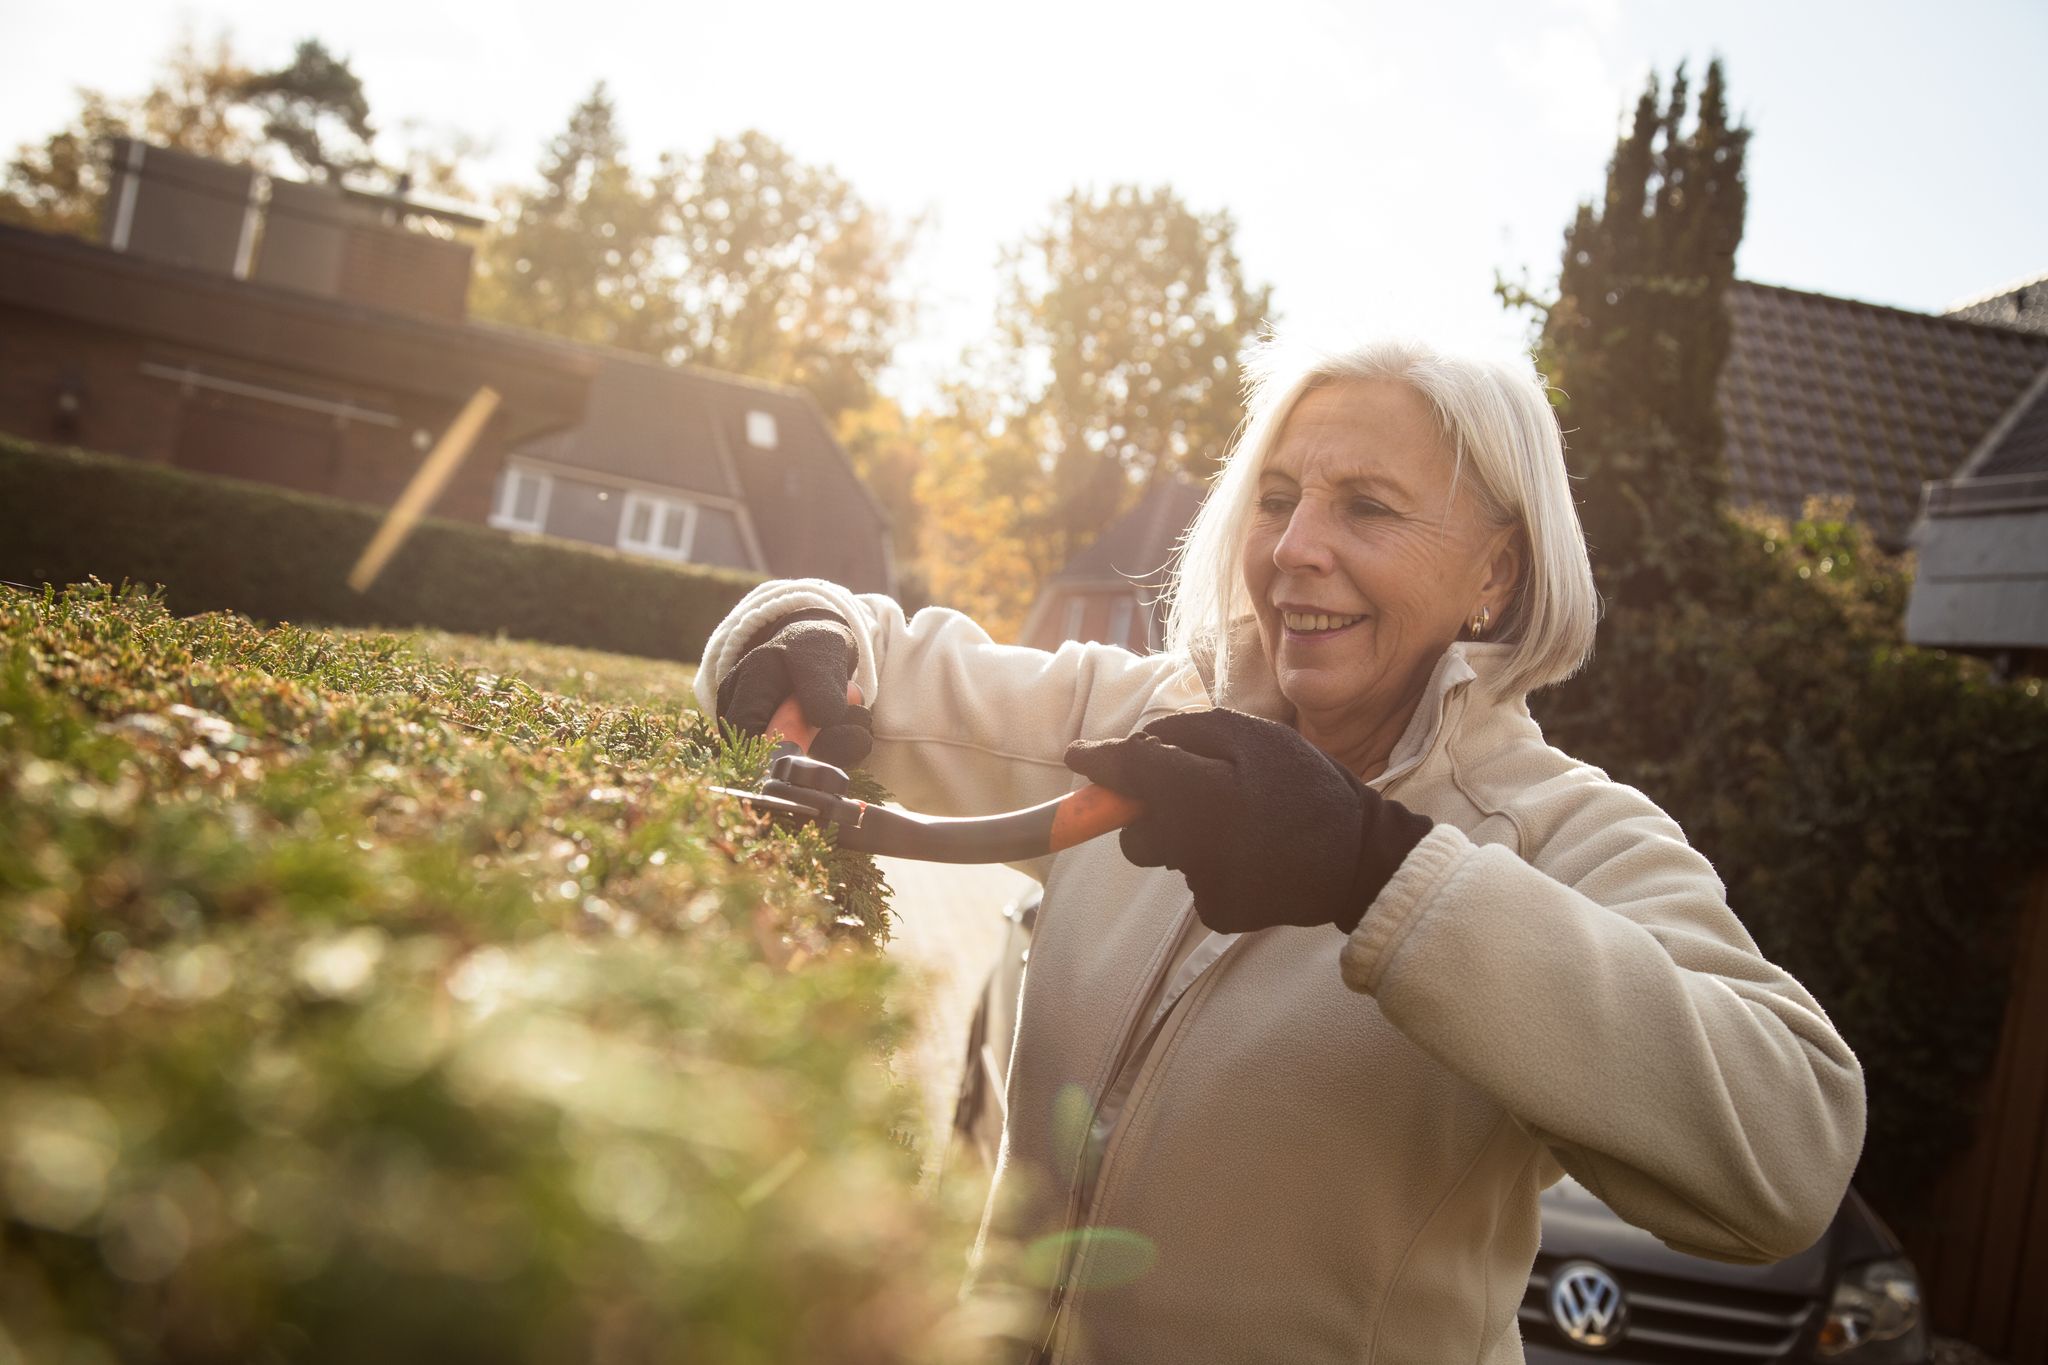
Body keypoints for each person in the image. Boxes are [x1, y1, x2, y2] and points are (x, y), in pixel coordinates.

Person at [694, 337, 1866, 1364]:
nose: (1296, 546)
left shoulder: (1563, 833)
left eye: (1365, 505)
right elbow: (885, 672)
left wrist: (1377, 869)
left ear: (1495, 572)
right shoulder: (1154, 723)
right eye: (1275, 497)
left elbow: (1789, 1150)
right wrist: (798, 630)